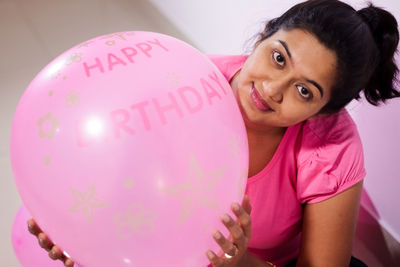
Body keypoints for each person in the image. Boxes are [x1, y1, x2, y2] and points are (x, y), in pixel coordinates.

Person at [27, 0, 400, 266]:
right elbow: (129, 184)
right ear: (263, 37)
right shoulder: (182, 83)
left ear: (325, 111)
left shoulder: (330, 146)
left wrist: (242, 264)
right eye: (278, 57)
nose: (272, 90)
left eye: (305, 91)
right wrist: (91, 242)